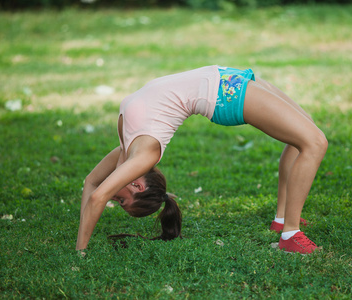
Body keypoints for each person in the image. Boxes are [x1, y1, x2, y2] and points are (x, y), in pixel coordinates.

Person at [76, 65, 328, 255]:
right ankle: (291, 235)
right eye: (119, 200)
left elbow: (92, 186)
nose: (112, 196)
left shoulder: (130, 150)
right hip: (222, 93)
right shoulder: (144, 154)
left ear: (137, 185)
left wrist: (80, 252)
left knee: (307, 131)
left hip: (225, 79)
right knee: (314, 142)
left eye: (121, 200)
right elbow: (97, 192)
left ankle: (283, 221)